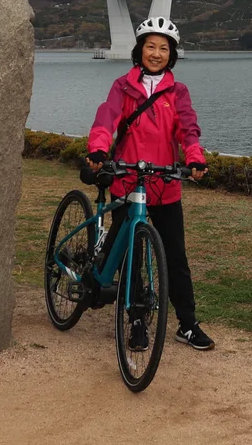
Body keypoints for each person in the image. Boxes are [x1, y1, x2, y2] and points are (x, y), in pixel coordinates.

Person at [85, 17, 214, 351]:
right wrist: (99, 147)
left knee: (176, 258)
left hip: (164, 183)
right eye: (150, 46)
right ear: (139, 49)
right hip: (128, 181)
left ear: (171, 54)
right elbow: (107, 117)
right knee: (132, 257)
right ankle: (137, 320)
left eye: (163, 48)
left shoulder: (178, 91)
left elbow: (188, 128)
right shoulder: (122, 87)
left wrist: (195, 157)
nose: (156, 53)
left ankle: (187, 324)